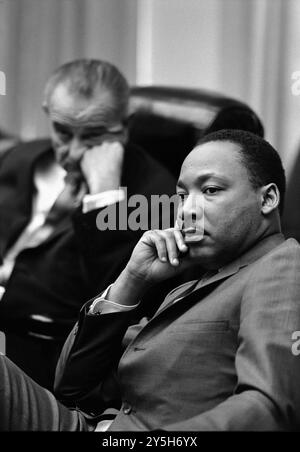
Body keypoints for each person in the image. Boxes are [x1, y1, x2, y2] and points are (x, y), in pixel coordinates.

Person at [1, 128, 300, 431]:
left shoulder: (281, 265)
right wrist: (131, 280)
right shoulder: (188, 284)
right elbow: (72, 387)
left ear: (268, 198)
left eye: (210, 190)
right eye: (182, 196)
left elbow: (268, 409)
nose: (186, 211)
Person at [0, 59, 175, 390]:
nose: (75, 152)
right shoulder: (19, 159)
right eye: (63, 133)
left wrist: (105, 201)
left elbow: (113, 299)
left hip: (45, 361)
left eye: (94, 136)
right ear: (47, 113)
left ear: (125, 125)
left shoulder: (157, 197)